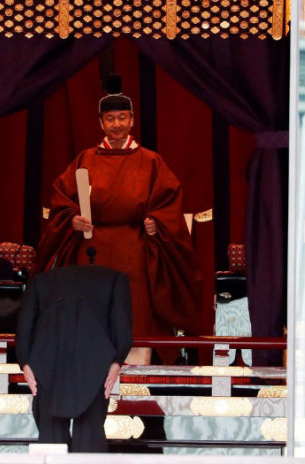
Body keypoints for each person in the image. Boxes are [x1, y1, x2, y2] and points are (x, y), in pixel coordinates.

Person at [34, 75, 204, 365]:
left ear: (132, 120)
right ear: (101, 123)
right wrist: (72, 220)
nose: (116, 124)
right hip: (92, 247)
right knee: (91, 306)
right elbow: (61, 199)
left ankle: (135, 374)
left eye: (122, 118)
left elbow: (169, 202)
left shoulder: (150, 161)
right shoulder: (85, 160)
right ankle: (90, 369)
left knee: (135, 309)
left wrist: (157, 221)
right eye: (110, 119)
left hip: (134, 249)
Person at [16, 262, 133, 453]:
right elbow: (123, 328)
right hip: (95, 364)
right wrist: (117, 361)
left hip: (47, 364)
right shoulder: (114, 279)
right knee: (90, 438)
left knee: (51, 439)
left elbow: (24, 327)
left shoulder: (40, 281)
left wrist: (25, 363)